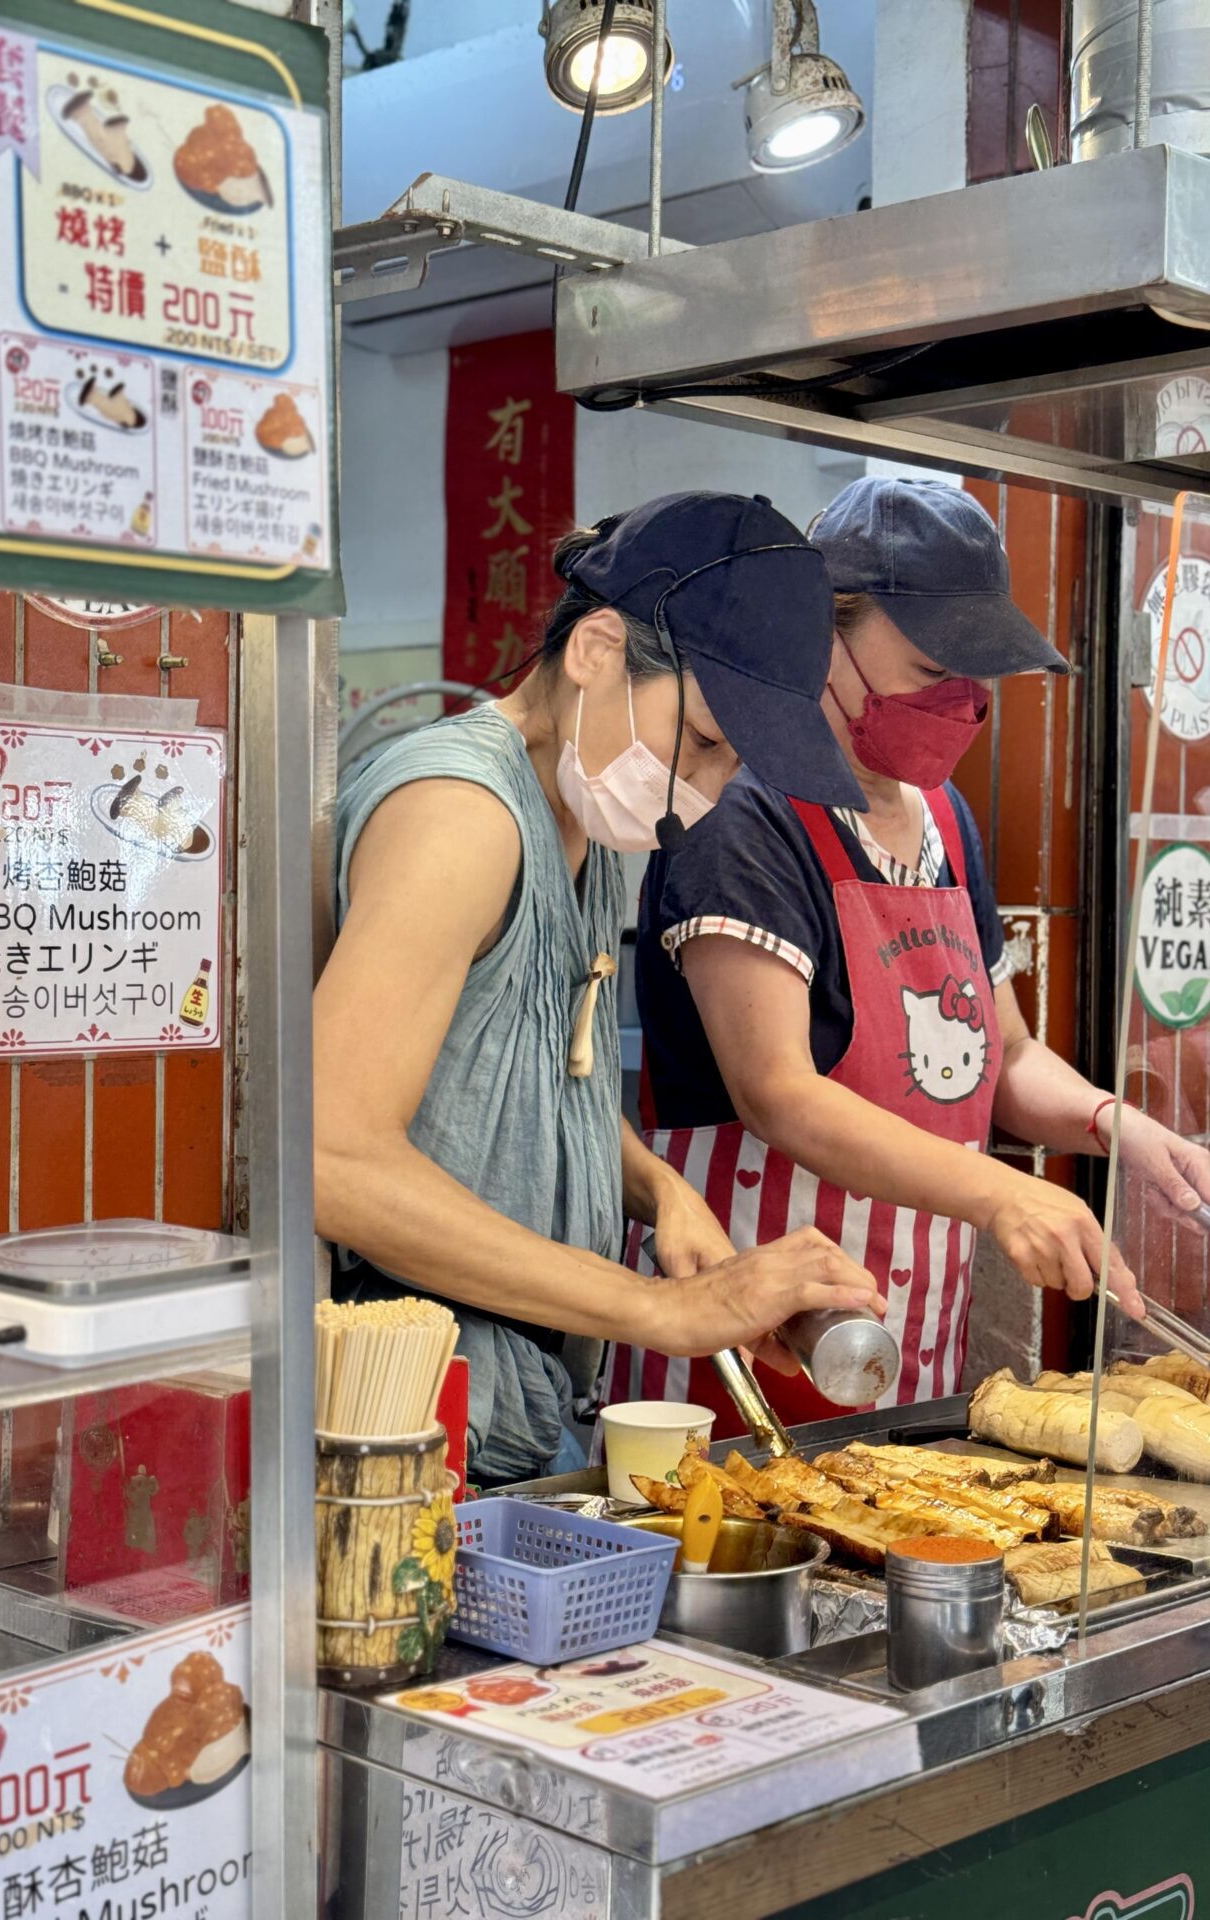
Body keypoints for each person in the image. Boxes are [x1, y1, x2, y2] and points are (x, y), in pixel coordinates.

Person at [608, 478, 1210, 1431]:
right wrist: (997, 1193)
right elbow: (777, 1090)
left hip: (907, 1348)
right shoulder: (743, 806)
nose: (959, 699)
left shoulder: (943, 818)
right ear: (825, 631)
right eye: (929, 664)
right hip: (740, 1357)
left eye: (975, 674)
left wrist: (1116, 1127)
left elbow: (1007, 1056)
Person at [315, 491, 894, 1486]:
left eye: (731, 763)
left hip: (512, 1415)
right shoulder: (462, 815)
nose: (707, 790)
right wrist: (660, 1312)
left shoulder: (579, 818)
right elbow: (334, 1157)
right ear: (594, 649)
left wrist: (656, 1186)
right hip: (409, 1430)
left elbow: (532, 1077)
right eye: (704, 740)